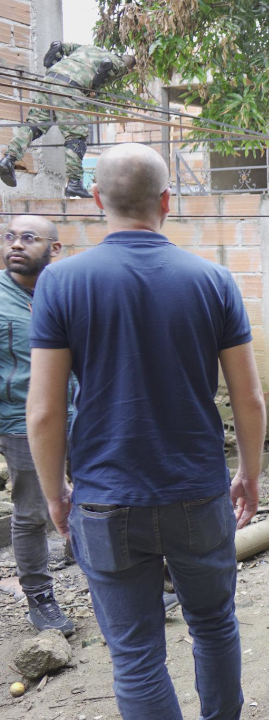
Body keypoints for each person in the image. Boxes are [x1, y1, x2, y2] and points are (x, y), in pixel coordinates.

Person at [26, 143, 265, 719]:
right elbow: (250, 397)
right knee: (213, 627)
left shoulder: (59, 283)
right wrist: (250, 475)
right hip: (198, 491)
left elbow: (44, 411)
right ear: (166, 199)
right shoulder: (213, 280)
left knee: (135, 655)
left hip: (106, 498)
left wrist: (56, 490)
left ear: (96, 198)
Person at [0, 215, 77, 635]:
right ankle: (40, 599)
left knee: (98, 500)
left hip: (80, 415)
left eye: (28, 238)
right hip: (21, 421)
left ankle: (118, 583)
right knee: (31, 513)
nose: (16, 245)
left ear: (54, 248)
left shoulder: (66, 290)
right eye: (10, 237)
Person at [0, 42, 136, 198]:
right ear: (129, 69)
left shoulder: (89, 48)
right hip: (70, 87)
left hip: (49, 80)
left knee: (35, 124)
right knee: (77, 136)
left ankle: (8, 159)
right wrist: (93, 87)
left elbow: (58, 46)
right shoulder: (120, 65)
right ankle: (74, 183)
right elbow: (106, 65)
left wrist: (51, 65)